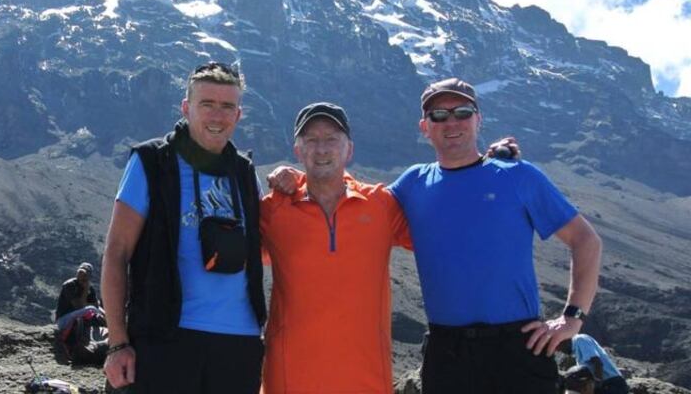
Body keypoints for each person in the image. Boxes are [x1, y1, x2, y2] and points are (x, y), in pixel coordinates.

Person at [389, 78, 602, 394]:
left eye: (462, 112)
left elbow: (585, 240)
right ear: (425, 127)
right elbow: (356, 206)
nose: (452, 122)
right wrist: (293, 178)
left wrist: (572, 317)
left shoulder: (518, 175)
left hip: (518, 348)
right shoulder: (413, 183)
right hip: (447, 354)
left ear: (478, 119)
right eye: (439, 115)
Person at [101, 62, 267, 394]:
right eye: (207, 104)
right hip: (164, 338)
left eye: (227, 107)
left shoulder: (245, 174)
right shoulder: (152, 163)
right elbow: (117, 253)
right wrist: (118, 342)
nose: (217, 116)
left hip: (239, 344)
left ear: (238, 114)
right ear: (186, 107)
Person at [260, 102, 411, 394]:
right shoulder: (273, 209)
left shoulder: (381, 205)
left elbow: (445, 239)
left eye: (331, 139)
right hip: (289, 379)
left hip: (365, 380)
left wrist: (491, 166)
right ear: (298, 151)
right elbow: (228, 262)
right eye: (311, 140)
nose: (322, 149)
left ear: (349, 149)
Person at [559, 334, 630, 394]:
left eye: (558, 347)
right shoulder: (576, 349)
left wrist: (597, 387)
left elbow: (597, 363)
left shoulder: (579, 339)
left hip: (611, 383)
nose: (559, 350)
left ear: (563, 340)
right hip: (606, 383)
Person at [55, 262, 101, 330]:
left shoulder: (90, 288)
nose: (82, 275)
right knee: (91, 309)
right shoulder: (70, 285)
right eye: (80, 273)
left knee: (99, 311)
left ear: (89, 276)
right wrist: (85, 290)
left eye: (85, 274)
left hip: (77, 317)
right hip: (63, 319)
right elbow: (79, 307)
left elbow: (96, 305)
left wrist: (85, 303)